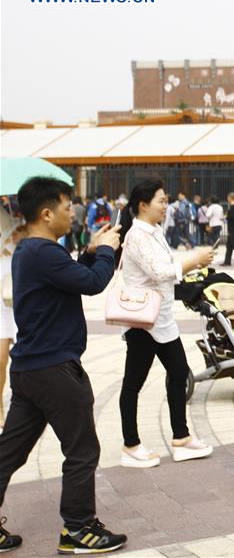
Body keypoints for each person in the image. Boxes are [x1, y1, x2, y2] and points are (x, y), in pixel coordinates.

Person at [0, 177, 128, 555]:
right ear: (46, 213)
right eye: (67, 206)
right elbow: (92, 283)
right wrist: (105, 251)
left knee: (10, 452)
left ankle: (78, 526)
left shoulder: (31, 251)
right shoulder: (43, 252)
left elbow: (71, 276)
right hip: (54, 371)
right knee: (82, 450)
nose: (73, 212)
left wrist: (90, 251)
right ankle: (78, 528)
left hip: (30, 369)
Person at [117, 179, 215, 468]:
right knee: (133, 383)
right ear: (143, 205)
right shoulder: (136, 235)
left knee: (178, 373)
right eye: (161, 200)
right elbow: (160, 272)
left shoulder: (155, 231)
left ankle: (181, 438)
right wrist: (194, 260)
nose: (165, 205)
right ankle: (130, 445)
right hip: (142, 322)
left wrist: (191, 263)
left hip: (162, 319)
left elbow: (166, 267)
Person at [0, 226, 25, 432]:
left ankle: (22, 408)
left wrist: (19, 240)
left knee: (20, 358)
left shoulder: (16, 220)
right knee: (0, 360)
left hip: (14, 296)